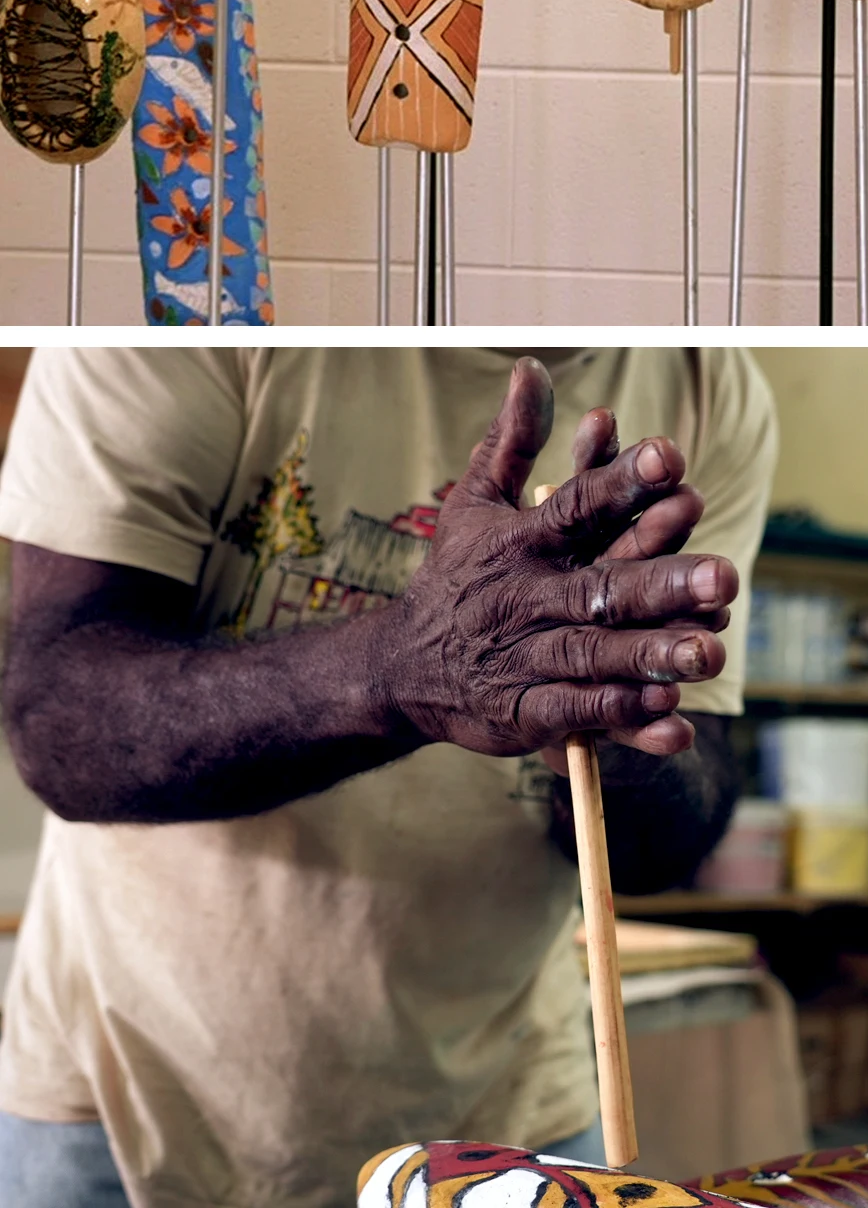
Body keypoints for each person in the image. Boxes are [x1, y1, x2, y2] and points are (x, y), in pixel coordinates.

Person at [0, 346, 776, 1208]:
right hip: (126, 1097)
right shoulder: (199, 313)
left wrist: (610, 708)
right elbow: (57, 722)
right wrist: (401, 671)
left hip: (511, 1107)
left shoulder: (716, 384)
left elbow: (659, 847)